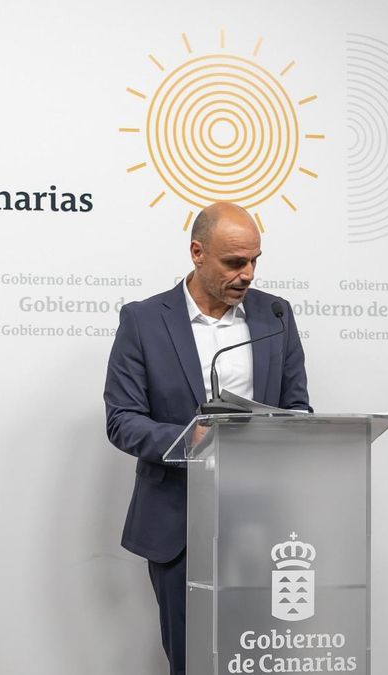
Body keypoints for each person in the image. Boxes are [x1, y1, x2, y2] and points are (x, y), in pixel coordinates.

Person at [103, 202, 310, 675]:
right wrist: (189, 439)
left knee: (260, 658)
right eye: (234, 262)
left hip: (263, 524)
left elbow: (299, 407)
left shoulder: (276, 315)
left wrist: (294, 431)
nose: (248, 274)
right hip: (179, 523)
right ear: (197, 252)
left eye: (255, 260)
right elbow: (122, 420)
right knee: (192, 658)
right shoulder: (144, 320)